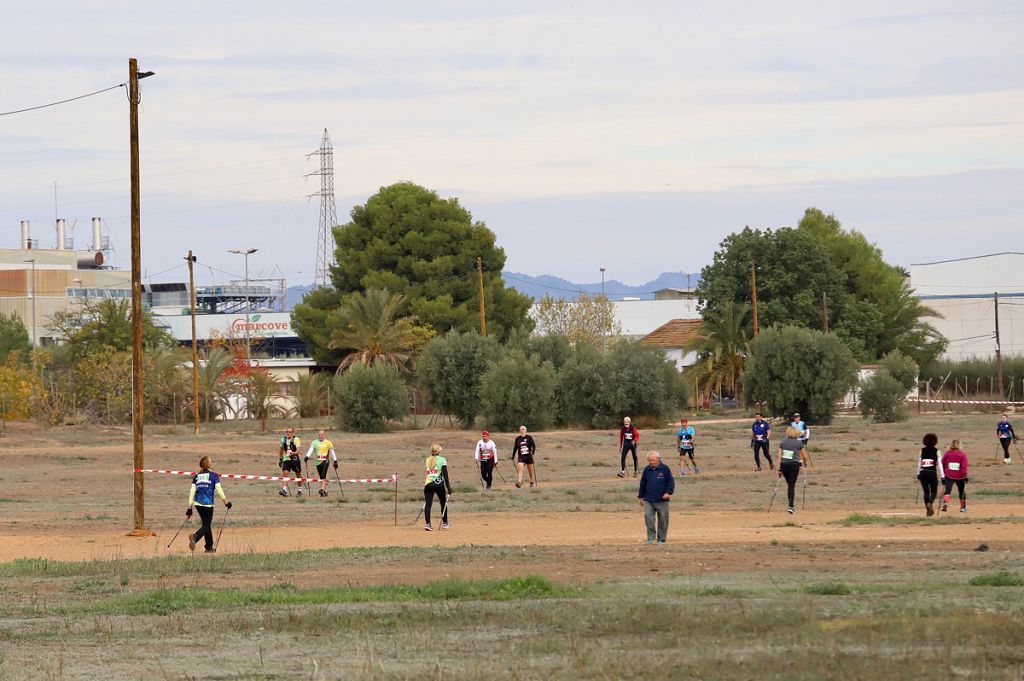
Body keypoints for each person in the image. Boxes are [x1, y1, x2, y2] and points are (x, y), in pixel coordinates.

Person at [186, 456, 232, 553]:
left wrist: (190, 507)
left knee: (206, 524)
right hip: (207, 504)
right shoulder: (214, 475)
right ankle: (195, 537)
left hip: (197, 504)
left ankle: (209, 547)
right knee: (206, 525)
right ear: (209, 464)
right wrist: (226, 502)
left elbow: (192, 492)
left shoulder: (197, 476)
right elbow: (219, 490)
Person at [637, 451, 674, 544]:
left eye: (653, 460)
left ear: (658, 459)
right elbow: (643, 484)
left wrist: (668, 492)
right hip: (649, 499)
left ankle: (661, 539)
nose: (651, 462)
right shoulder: (647, 470)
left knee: (663, 520)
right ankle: (650, 538)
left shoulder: (665, 469)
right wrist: (641, 497)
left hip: (662, 500)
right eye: (649, 460)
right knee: (648, 518)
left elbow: (670, 482)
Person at [777, 426, 810, 514]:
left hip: (784, 466)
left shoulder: (783, 442)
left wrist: (779, 469)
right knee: (791, 485)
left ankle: (790, 505)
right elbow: (804, 456)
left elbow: (779, 456)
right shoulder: (799, 443)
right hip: (794, 466)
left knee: (790, 485)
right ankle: (791, 506)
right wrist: (805, 463)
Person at [423, 443, 452, 531]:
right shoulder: (442, 459)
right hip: (438, 484)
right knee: (443, 503)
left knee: (428, 505)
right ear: (439, 450)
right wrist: (448, 487)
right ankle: (445, 523)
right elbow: (445, 475)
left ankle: (428, 524)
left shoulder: (428, 460)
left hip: (428, 484)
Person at [303, 429, 338, 497]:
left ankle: (321, 489)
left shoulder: (328, 442)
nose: (320, 436)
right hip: (317, 462)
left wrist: (335, 461)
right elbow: (311, 449)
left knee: (323, 475)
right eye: (319, 435)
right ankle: (324, 491)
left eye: (321, 435)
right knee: (321, 477)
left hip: (325, 461)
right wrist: (307, 456)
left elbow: (332, 452)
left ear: (324, 435)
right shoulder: (314, 442)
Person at [917, 433, 943, 517]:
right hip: (932, 472)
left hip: (923, 472)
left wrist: (918, 473)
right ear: (935, 441)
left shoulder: (921, 450)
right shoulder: (937, 451)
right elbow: (940, 464)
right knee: (934, 491)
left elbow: (919, 463)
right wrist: (943, 476)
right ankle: (930, 503)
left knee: (926, 492)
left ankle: (928, 510)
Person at [940, 439, 969, 513]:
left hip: (948, 475)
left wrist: (943, 474)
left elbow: (942, 464)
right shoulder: (962, 454)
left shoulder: (947, 453)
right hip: (960, 476)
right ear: (959, 445)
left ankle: (946, 503)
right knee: (962, 491)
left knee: (948, 489)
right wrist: (965, 475)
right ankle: (963, 507)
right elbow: (963, 466)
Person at [277, 426, 302, 497]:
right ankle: (284, 489)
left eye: (289, 432)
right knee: (285, 473)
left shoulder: (296, 439)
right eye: (286, 432)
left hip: (295, 459)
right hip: (286, 459)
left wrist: (294, 453)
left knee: (298, 474)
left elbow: (298, 449)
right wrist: (281, 459)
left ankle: (300, 489)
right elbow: (281, 450)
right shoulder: (283, 439)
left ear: (293, 433)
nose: (288, 433)